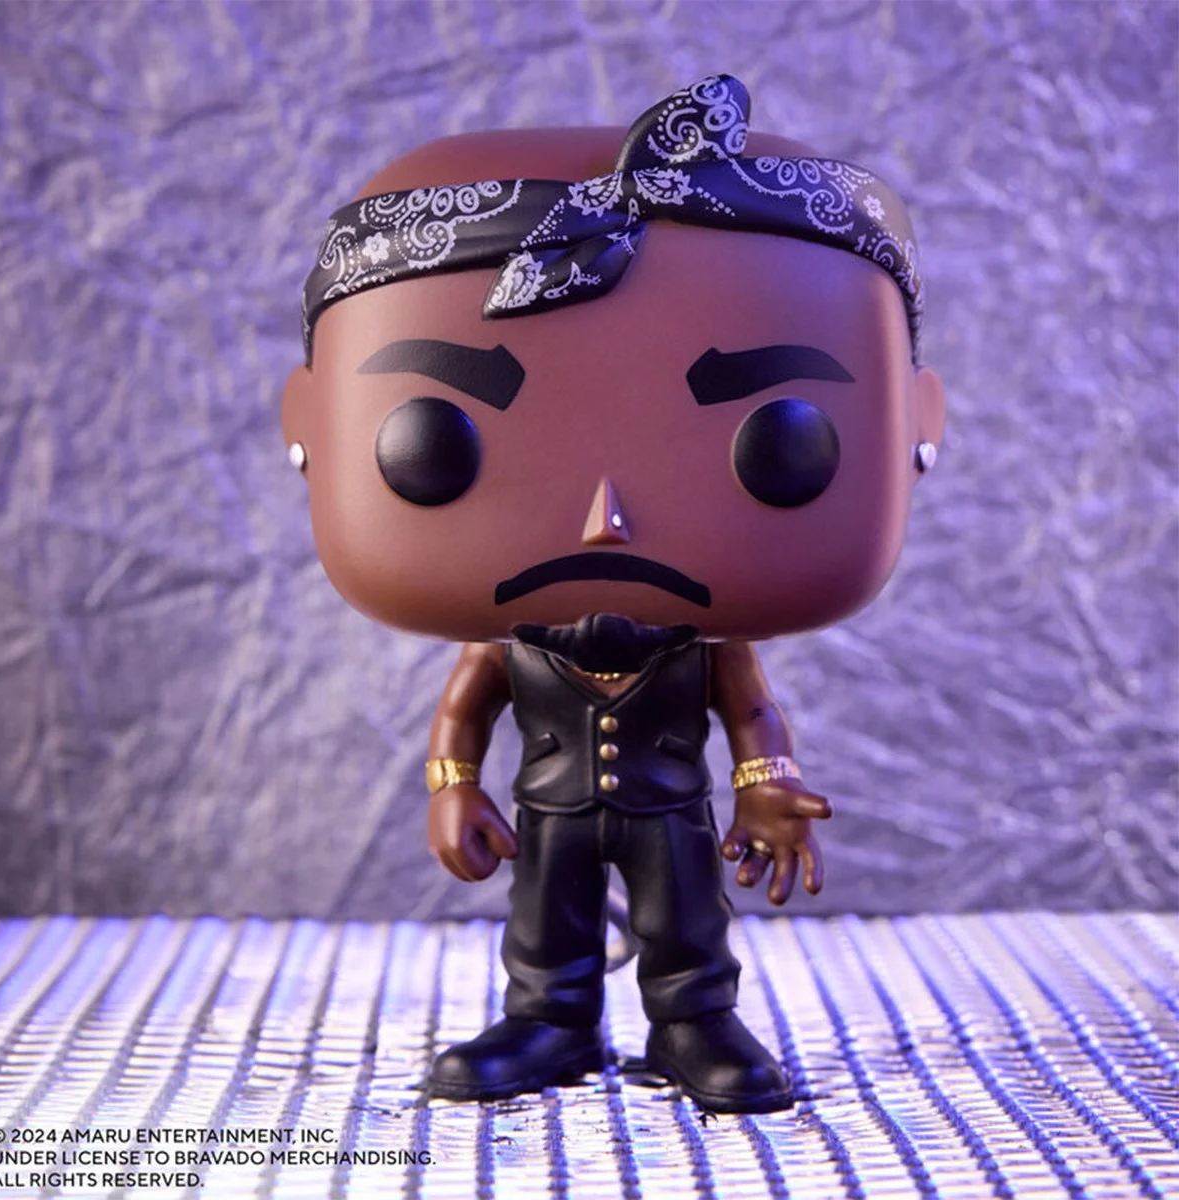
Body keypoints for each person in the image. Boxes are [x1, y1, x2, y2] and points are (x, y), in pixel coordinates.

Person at [281, 75, 945, 1112]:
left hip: (669, 806)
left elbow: (752, 712)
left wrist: (766, 784)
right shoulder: (510, 643)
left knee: (686, 920)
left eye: (782, 445)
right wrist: (453, 786)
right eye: (433, 448)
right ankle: (548, 1020)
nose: (606, 521)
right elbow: (463, 711)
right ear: (307, 431)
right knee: (544, 919)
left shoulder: (703, 643)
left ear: (920, 427)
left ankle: (692, 1022)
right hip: (552, 809)